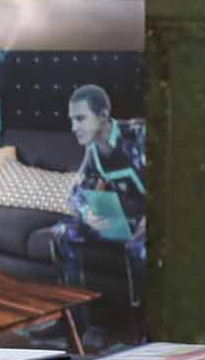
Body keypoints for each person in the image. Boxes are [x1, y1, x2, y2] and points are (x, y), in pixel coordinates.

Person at [49, 84, 147, 338]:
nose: (74, 127)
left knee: (142, 247)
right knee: (62, 232)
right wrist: (89, 215)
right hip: (125, 221)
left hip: (160, 222)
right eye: (72, 120)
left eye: (80, 119)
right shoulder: (93, 150)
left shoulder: (141, 134)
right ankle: (74, 323)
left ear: (103, 115)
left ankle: (144, 332)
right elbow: (76, 195)